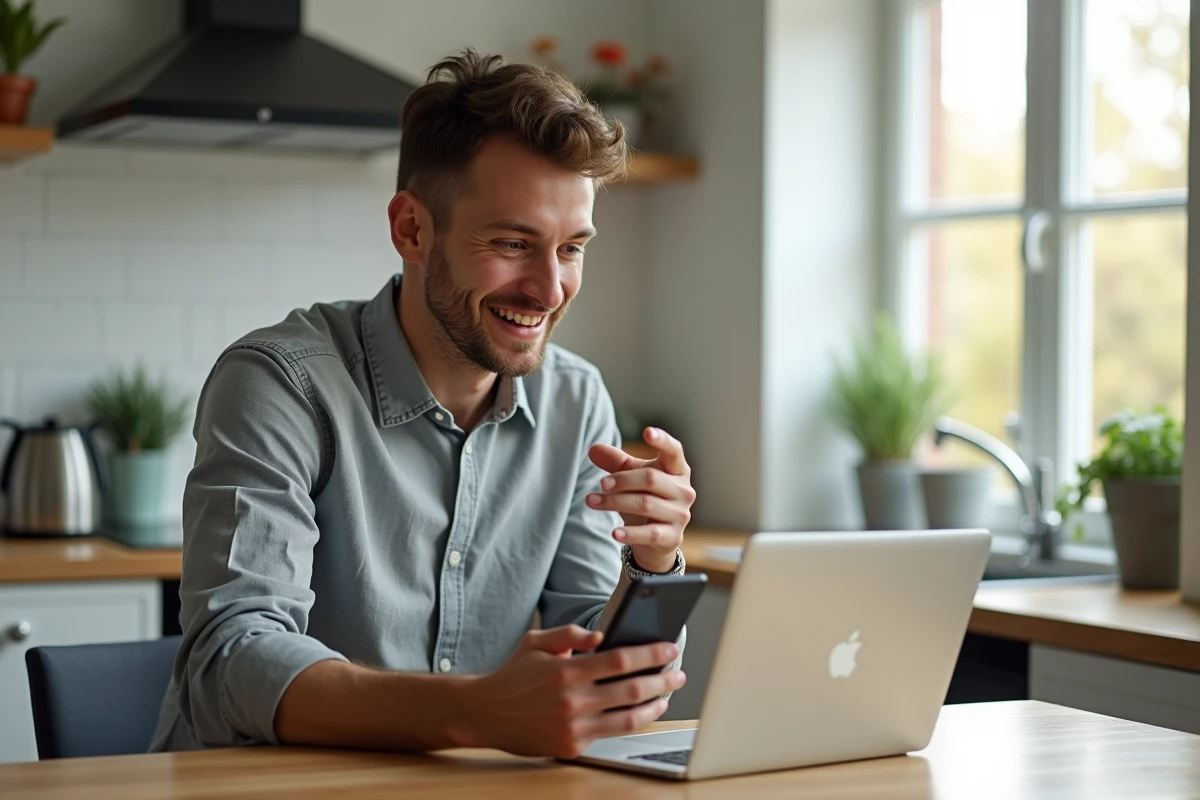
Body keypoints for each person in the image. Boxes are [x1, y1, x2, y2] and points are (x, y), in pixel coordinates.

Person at [149, 50, 697, 759]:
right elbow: (232, 661)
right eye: (511, 243)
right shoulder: (280, 382)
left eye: (571, 248)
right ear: (411, 229)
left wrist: (654, 566)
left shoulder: (575, 399)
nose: (549, 289)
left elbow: (593, 663)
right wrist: (479, 713)